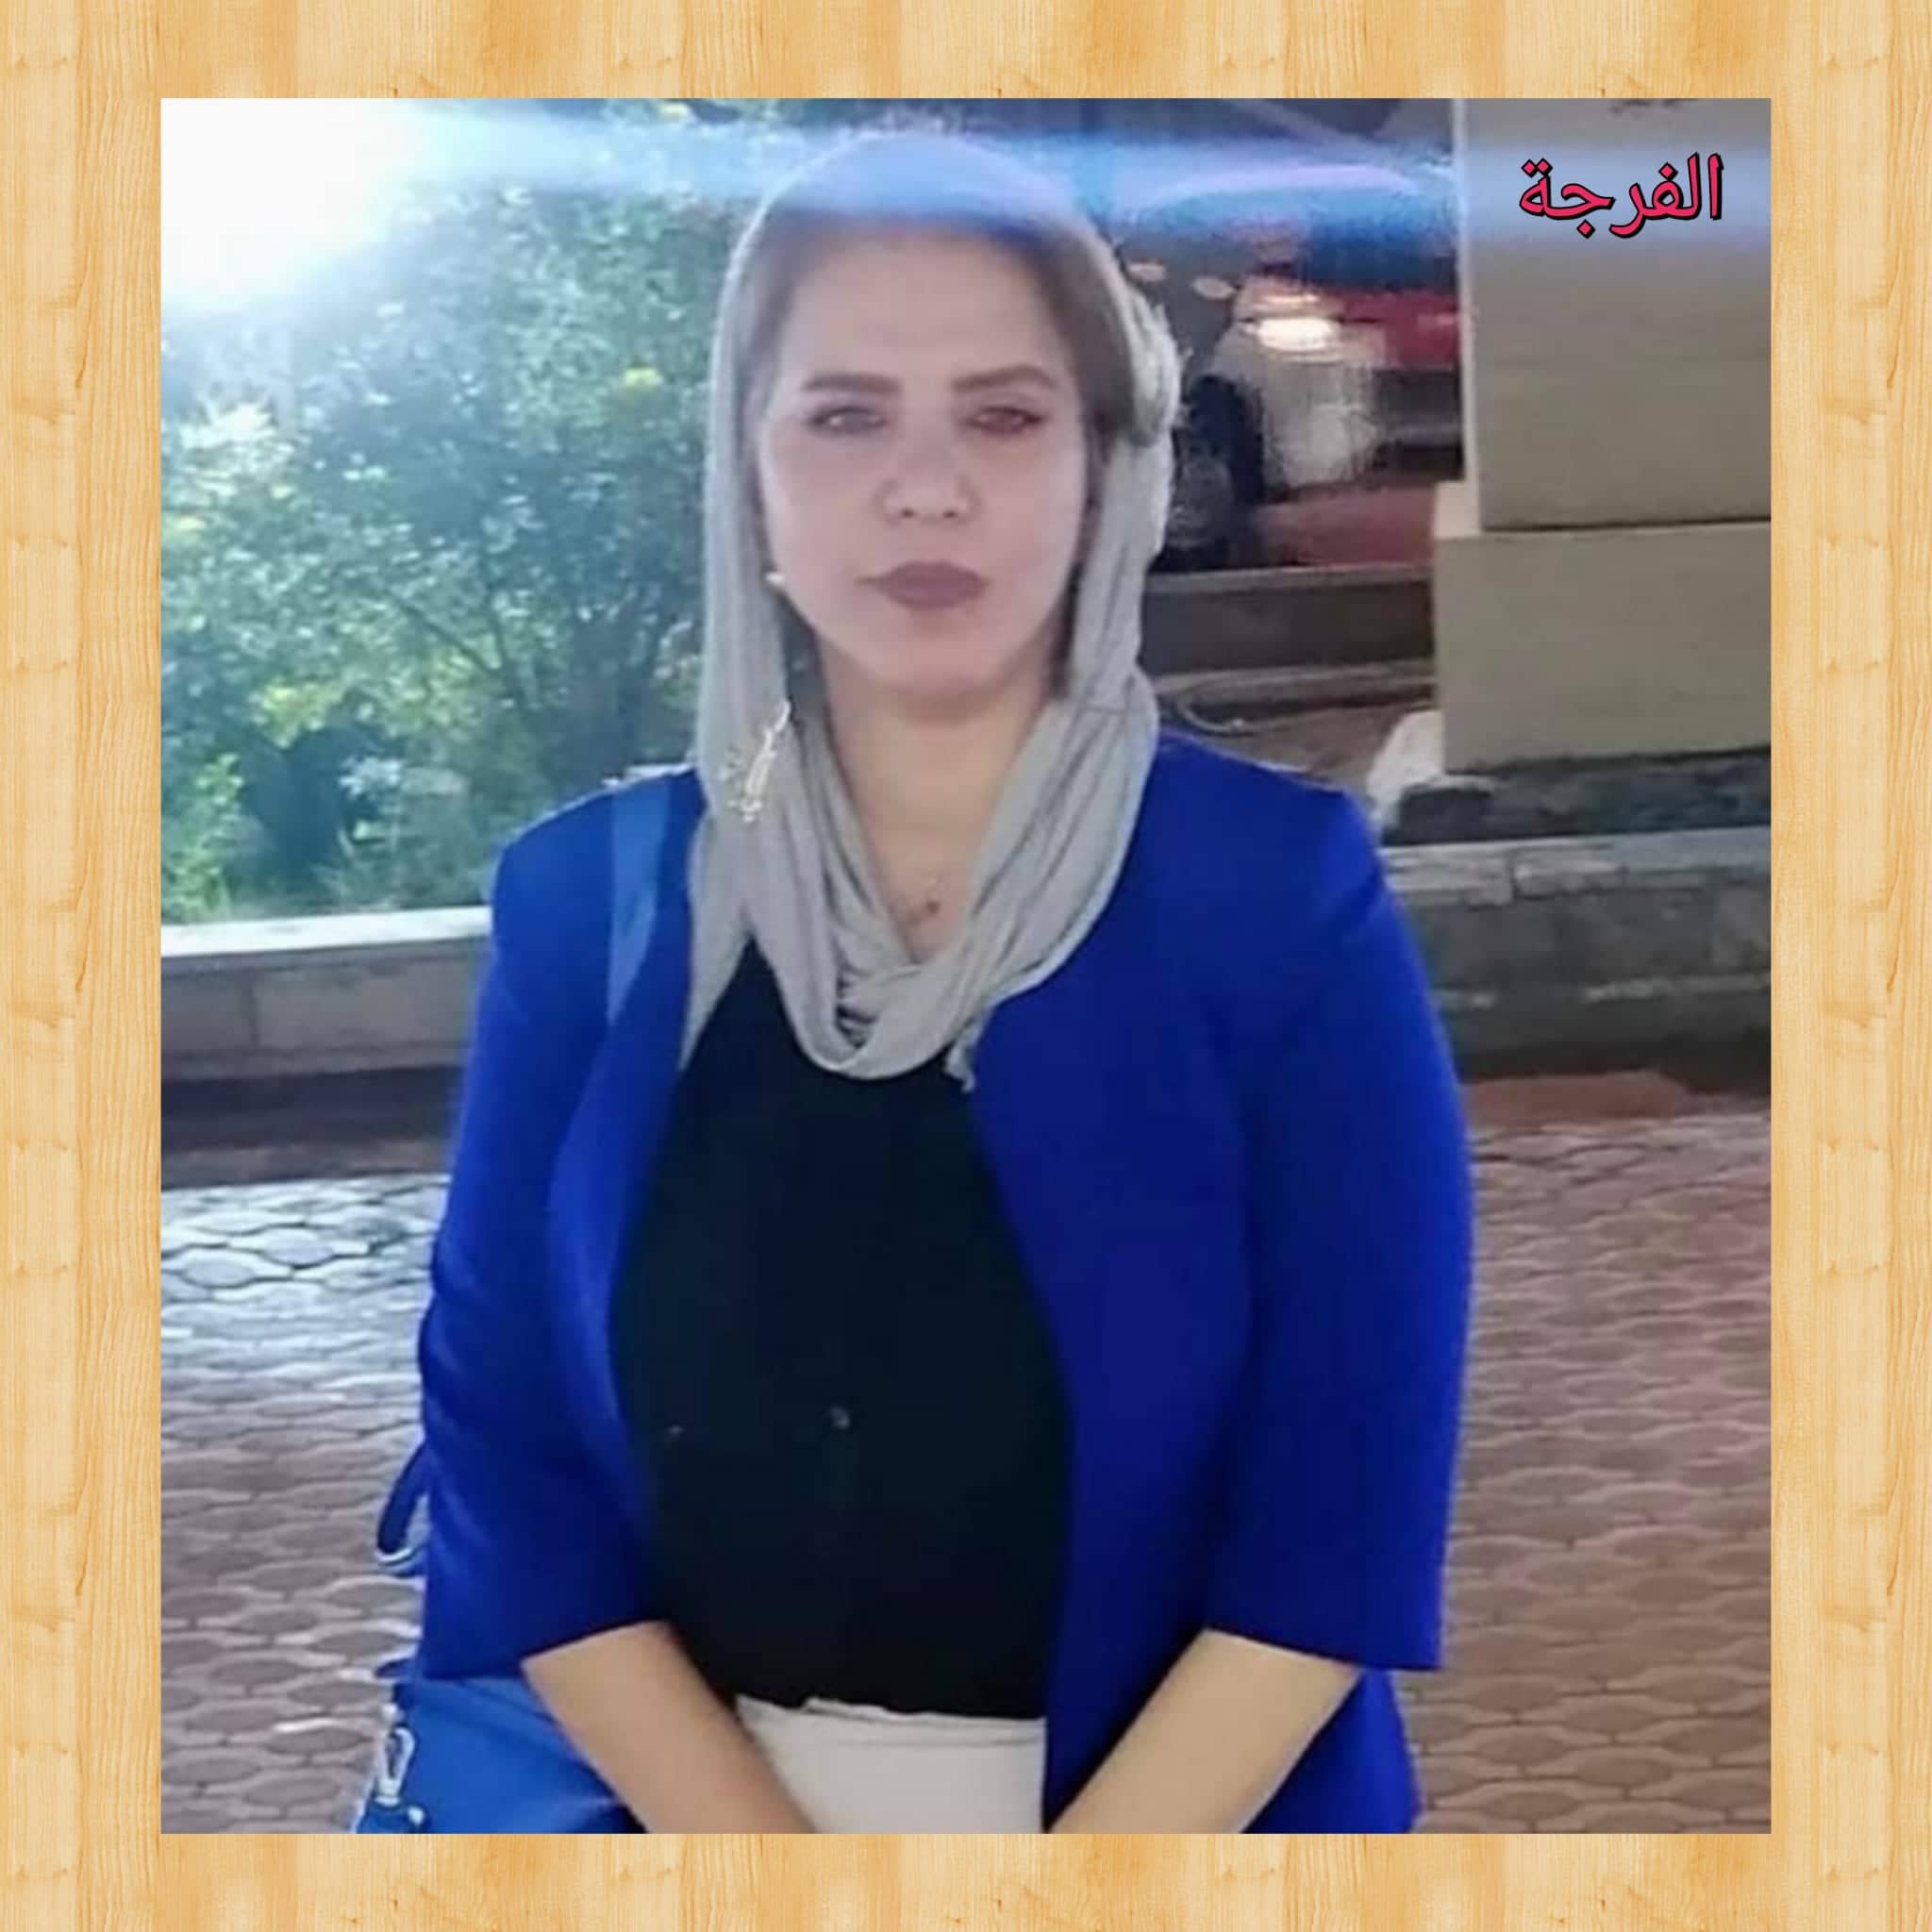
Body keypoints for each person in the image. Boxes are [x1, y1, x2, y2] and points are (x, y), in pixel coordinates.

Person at [351, 126, 1474, 1835]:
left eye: (1004, 417)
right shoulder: (589, 907)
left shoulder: (1270, 901)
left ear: (1110, 468)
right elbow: (514, 1466)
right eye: (845, 416)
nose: (926, 488)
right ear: (750, 473)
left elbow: (1339, 1522)